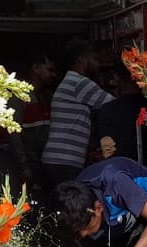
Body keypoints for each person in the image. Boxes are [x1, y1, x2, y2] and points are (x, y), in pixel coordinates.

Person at [42, 38, 117, 191]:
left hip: (58, 159)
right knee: (72, 209)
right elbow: (114, 106)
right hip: (65, 160)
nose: (98, 65)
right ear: (82, 60)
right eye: (94, 59)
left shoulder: (70, 80)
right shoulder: (79, 83)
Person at [6, 53, 57, 208]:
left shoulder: (46, 96)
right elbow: (13, 134)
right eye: (49, 69)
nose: (53, 75)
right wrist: (24, 168)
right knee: (33, 206)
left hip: (47, 162)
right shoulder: (19, 97)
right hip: (31, 163)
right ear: (36, 68)